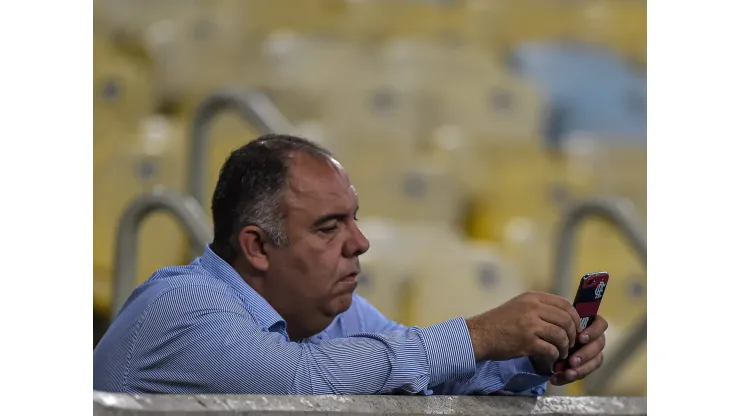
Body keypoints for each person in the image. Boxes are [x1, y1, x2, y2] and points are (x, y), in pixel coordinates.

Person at [93, 134, 608, 395]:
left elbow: (426, 381)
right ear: (256, 247)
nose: (360, 242)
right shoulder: (182, 302)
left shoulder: (337, 316)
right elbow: (299, 385)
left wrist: (532, 355)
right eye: (328, 226)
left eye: (354, 220)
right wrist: (478, 334)